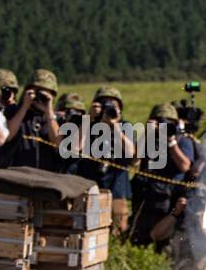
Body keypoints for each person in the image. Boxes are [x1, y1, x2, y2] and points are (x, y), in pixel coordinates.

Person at [67, 86, 134, 234]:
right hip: (89, 185)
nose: (109, 109)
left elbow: (131, 153)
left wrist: (115, 127)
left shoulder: (124, 126)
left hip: (117, 187)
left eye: (113, 106)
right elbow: (75, 148)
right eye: (105, 104)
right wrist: (88, 119)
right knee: (89, 227)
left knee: (118, 228)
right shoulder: (87, 124)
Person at [128, 102, 195, 250]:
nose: (163, 126)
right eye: (160, 121)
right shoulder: (148, 140)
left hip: (169, 201)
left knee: (165, 245)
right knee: (139, 241)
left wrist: (171, 142)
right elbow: (134, 161)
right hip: (146, 199)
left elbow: (184, 166)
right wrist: (146, 134)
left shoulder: (183, 140)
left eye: (168, 123)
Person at [0, 68, 63, 171]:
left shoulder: (55, 118)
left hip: (47, 176)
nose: (39, 98)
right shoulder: (14, 111)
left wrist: (48, 111)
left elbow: (58, 144)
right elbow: (8, 136)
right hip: (17, 174)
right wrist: (25, 106)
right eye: (37, 92)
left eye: (45, 95)